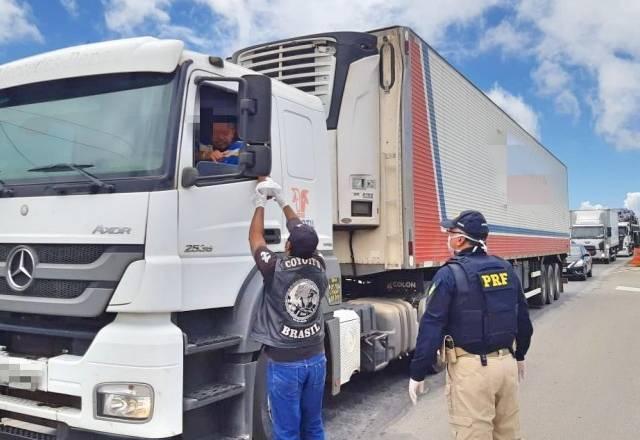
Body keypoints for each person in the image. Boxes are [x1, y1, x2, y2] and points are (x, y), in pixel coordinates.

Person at [408, 210, 533, 440]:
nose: (448, 236)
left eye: (451, 232)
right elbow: (522, 317)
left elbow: (431, 326)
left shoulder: (449, 274)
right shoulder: (505, 268)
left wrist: (418, 373)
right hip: (507, 365)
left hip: (472, 371)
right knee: (509, 434)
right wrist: (520, 355)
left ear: (461, 239)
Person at [249, 177, 328, 440]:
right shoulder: (319, 264)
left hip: (285, 363)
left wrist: (261, 201)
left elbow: (256, 238)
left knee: (286, 431)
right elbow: (300, 229)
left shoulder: (275, 268)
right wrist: (282, 199)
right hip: (316, 359)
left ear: (288, 246)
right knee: (314, 425)